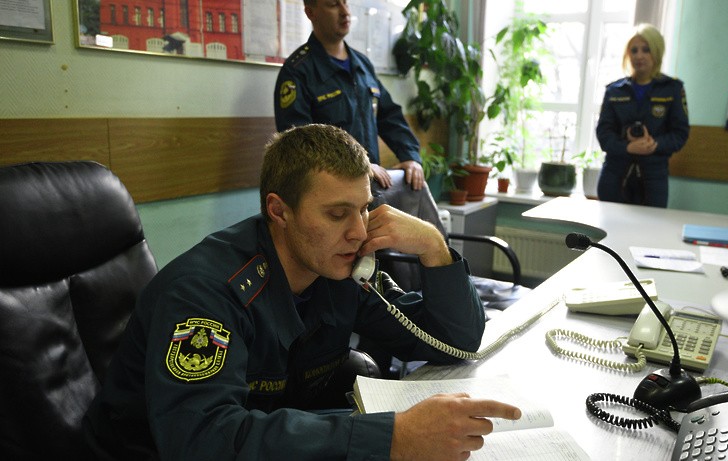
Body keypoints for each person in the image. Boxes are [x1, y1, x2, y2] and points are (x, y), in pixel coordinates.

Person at [83, 124, 521, 460]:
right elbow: (204, 441)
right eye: (336, 214)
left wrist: (434, 247)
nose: (358, 232)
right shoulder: (203, 296)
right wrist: (391, 438)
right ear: (279, 211)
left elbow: (454, 341)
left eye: (364, 209)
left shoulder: (340, 269)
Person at [274, 0, 425, 191]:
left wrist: (411, 157)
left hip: (370, 189)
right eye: (333, 4)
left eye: (345, 3)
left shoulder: (362, 64)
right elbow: (298, 144)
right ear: (311, 13)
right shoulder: (297, 71)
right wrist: (359, 165)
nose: (345, 12)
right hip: (330, 195)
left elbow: (389, 116)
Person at [596, 23, 690, 208]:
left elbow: (680, 134)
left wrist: (654, 144)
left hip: (653, 178)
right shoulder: (614, 91)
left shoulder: (672, 89)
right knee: (609, 233)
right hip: (615, 176)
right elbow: (604, 134)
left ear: (656, 52)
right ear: (627, 54)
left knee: (649, 234)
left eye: (646, 50)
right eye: (634, 50)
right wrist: (628, 146)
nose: (639, 55)